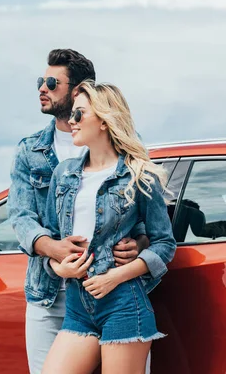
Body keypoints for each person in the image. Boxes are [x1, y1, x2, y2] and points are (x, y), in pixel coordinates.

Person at [6, 49, 150, 374]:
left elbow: (145, 214)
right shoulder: (30, 151)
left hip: (111, 289)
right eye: (40, 81)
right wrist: (53, 249)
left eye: (52, 82)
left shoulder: (126, 146)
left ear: (77, 90)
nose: (42, 88)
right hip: (48, 292)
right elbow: (20, 217)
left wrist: (138, 243)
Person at [41, 81, 177, 374]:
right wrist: (59, 268)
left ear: (103, 120)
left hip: (123, 304)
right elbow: (52, 240)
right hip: (77, 307)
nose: (71, 122)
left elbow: (165, 245)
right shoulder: (63, 174)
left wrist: (114, 277)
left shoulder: (139, 175)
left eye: (79, 115)